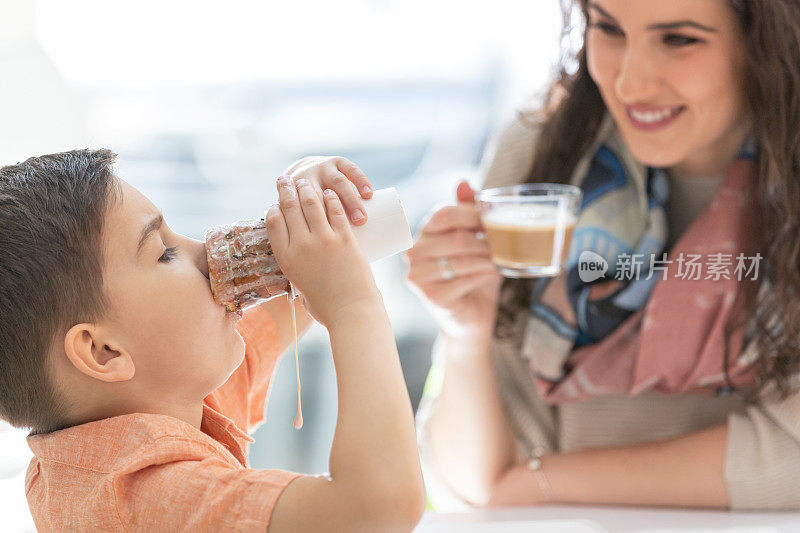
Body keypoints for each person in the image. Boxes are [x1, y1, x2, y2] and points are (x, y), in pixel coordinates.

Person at [407, 0, 800, 511]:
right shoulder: (547, 159)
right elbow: (467, 482)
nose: (629, 84)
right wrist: (465, 338)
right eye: (609, 29)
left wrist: (538, 483)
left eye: (679, 39)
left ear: (768, 42)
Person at [1, 150, 425, 531]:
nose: (203, 250)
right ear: (103, 351)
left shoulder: (161, 394)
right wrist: (355, 305)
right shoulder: (144, 493)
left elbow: (303, 288)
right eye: (165, 252)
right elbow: (376, 509)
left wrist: (303, 202)